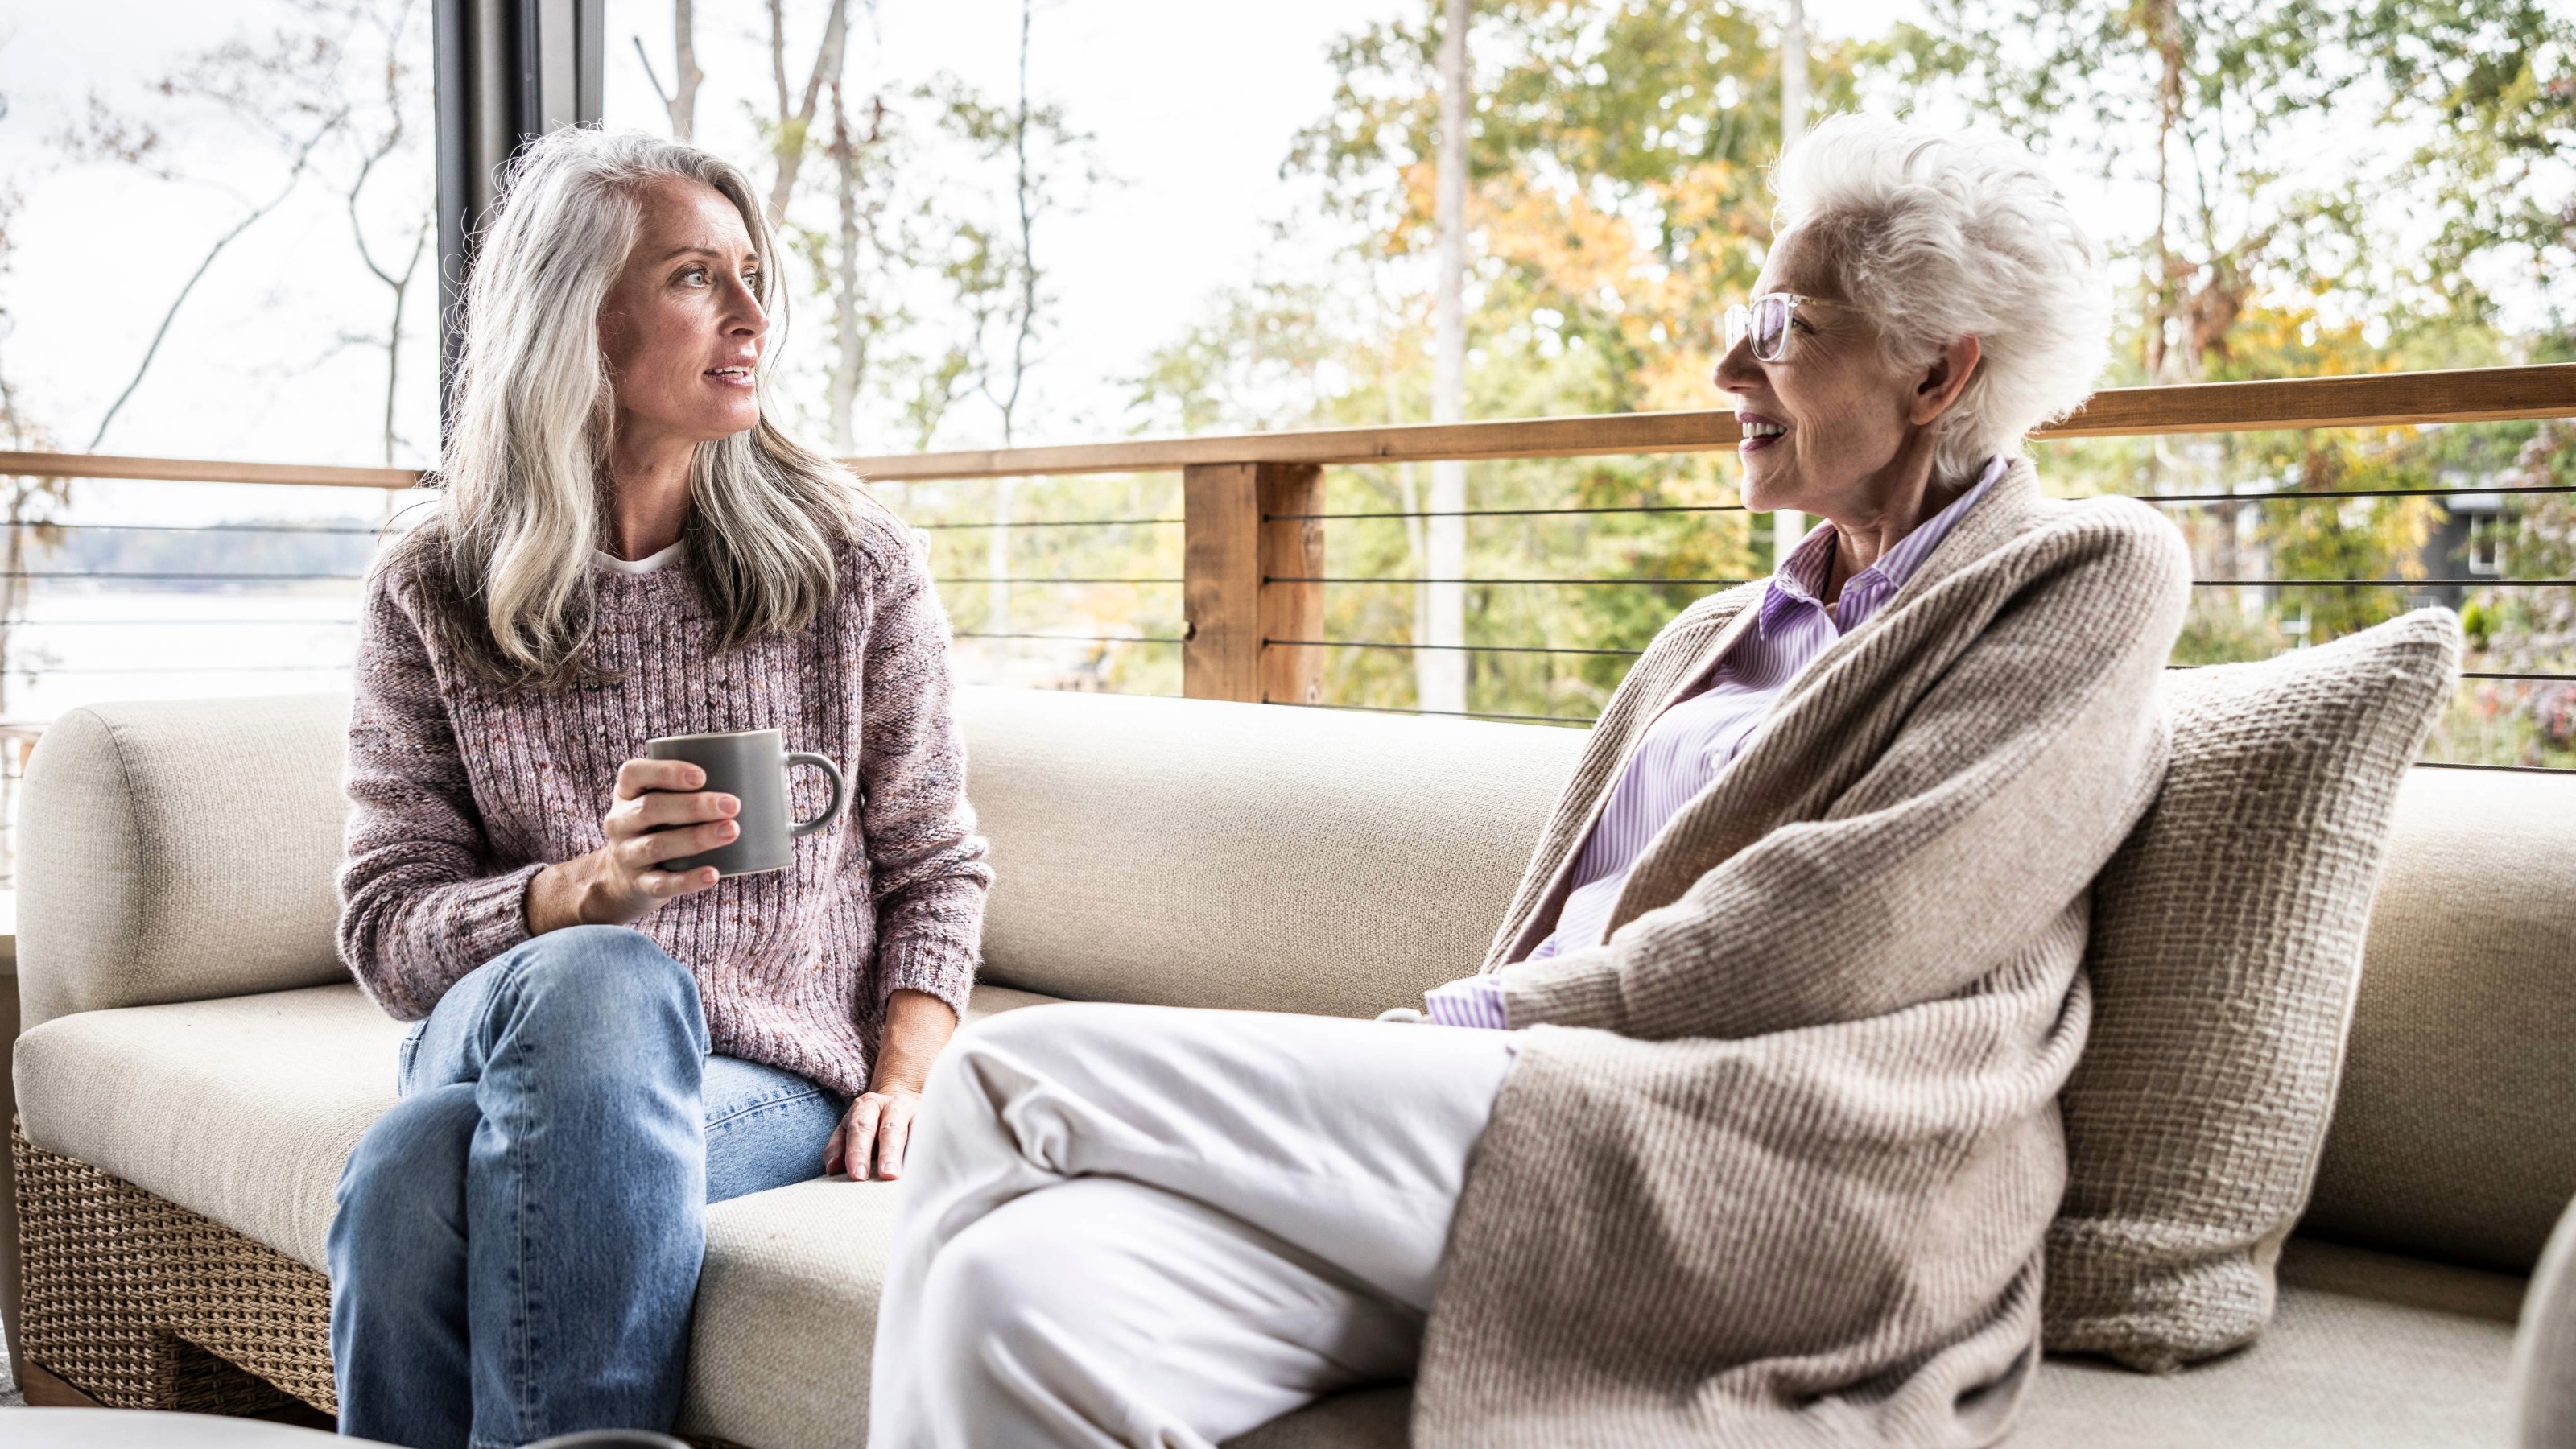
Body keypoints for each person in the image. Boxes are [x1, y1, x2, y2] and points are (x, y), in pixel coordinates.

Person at [865, 112, 2192, 1449]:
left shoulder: (2079, 573)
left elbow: (1872, 911)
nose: (1732, 362)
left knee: (1003, 1078)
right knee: (1012, 1294)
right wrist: (1504, 1024)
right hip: (1556, 1117)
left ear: (1937, 374)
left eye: (1787, 326)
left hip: (1775, 1159)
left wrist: (1493, 1013)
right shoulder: (1711, 639)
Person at [327, 127, 990, 1449]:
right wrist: (593, 890)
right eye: (698, 278)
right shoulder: (434, 589)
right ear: (576, 315)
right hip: (501, 1021)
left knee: (413, 1176)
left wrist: (906, 1079)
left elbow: (935, 866)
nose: (752, 318)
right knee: (605, 977)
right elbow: (390, 934)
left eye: (753, 277)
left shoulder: (850, 567)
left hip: (762, 1075)